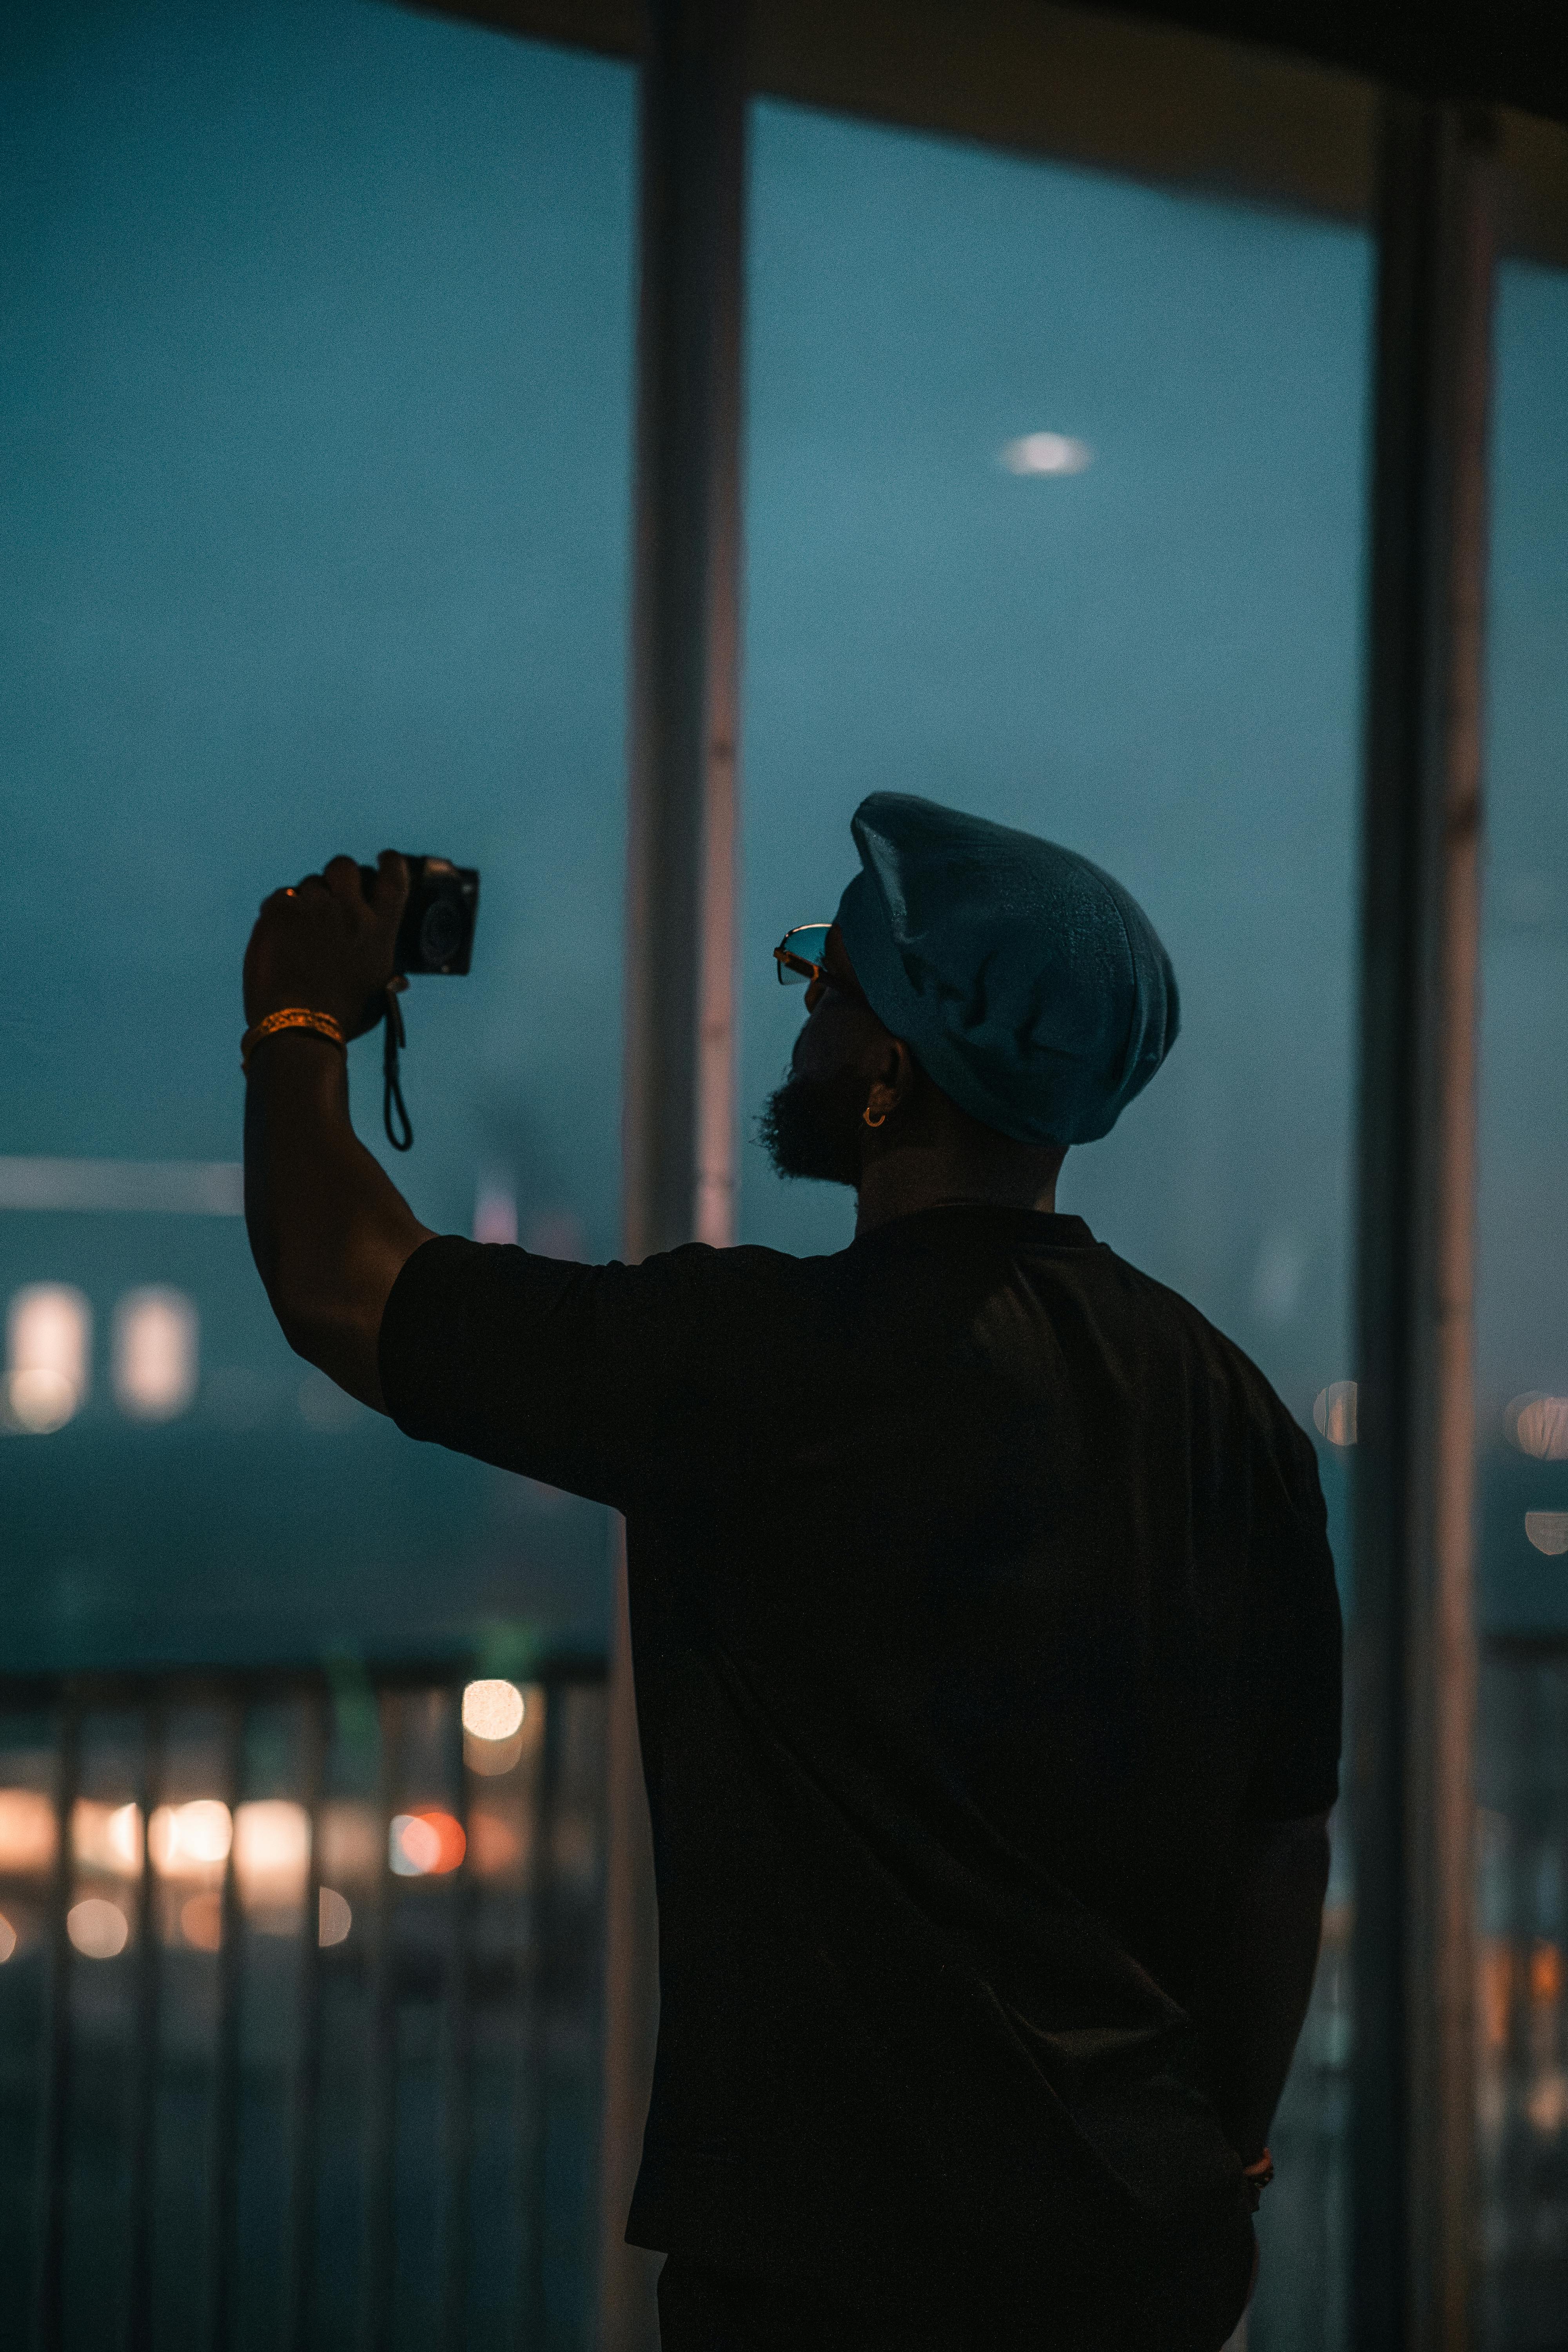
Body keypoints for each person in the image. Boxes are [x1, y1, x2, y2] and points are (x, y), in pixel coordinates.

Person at [242, 792, 1340, 2352]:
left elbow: (340, 1284)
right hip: (1139, 2249)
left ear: (893, 1075)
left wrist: (293, 1015)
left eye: (825, 984)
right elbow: (1281, 1832)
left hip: (838, 2266)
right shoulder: (1234, 1413)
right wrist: (1218, 2149)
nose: (801, 1010)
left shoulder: (759, 1366)